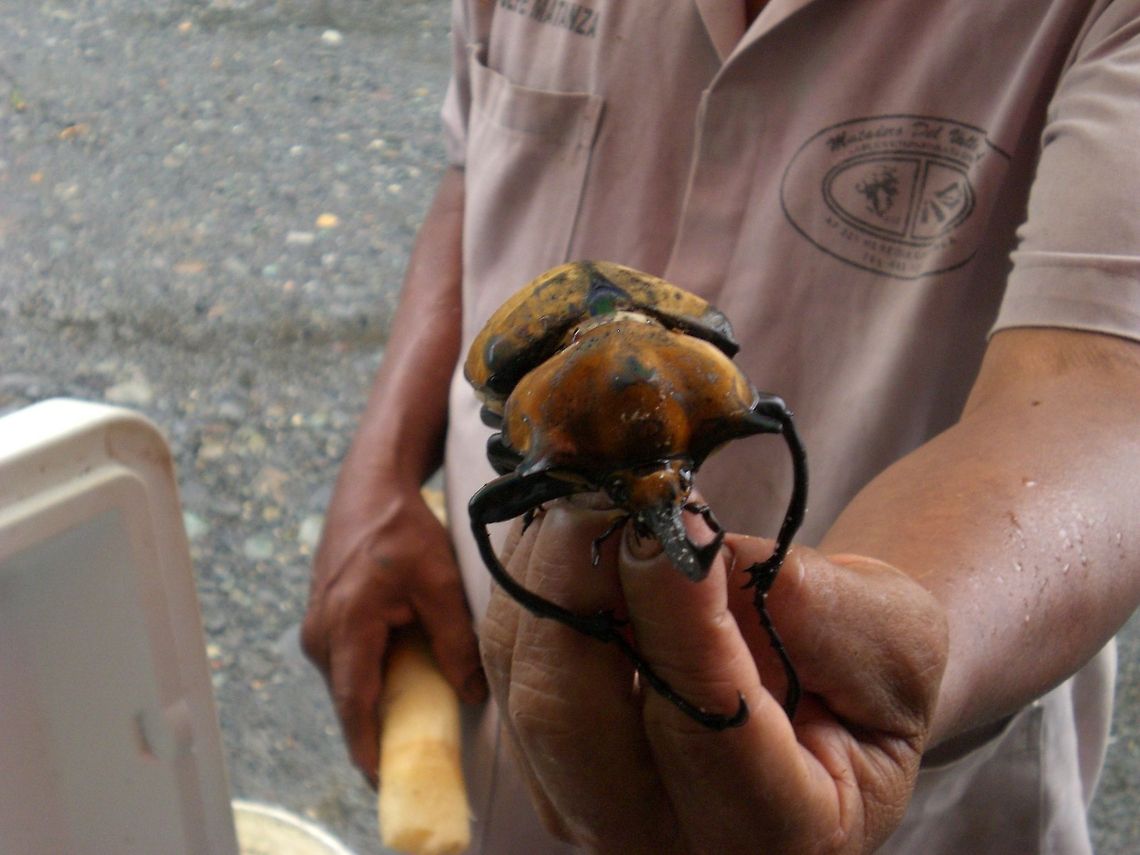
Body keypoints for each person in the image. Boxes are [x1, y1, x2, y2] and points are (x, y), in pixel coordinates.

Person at [302, 1, 1140, 852]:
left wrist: (891, 630)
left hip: (913, 765)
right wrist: (381, 468)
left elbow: (1111, 378)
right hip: (504, 725)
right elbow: (477, 161)